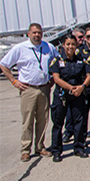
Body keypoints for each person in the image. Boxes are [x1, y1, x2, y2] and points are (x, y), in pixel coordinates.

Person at [0, 23, 58, 162]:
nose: (37, 35)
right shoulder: (20, 48)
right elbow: (3, 65)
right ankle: (26, 149)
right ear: (28, 34)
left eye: (39, 32)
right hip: (28, 89)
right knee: (28, 120)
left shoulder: (48, 47)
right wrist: (14, 81)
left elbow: (56, 60)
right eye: (34, 33)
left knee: (43, 120)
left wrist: (53, 79)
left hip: (44, 87)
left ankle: (40, 146)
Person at [49, 35, 90, 162]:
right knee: (58, 123)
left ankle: (79, 147)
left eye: (73, 44)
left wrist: (82, 87)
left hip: (78, 94)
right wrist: (71, 88)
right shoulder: (57, 60)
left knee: (79, 122)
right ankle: (57, 150)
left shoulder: (81, 60)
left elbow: (89, 75)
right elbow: (56, 78)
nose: (70, 47)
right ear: (63, 45)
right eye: (68, 44)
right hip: (62, 94)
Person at [61, 27, 86, 143]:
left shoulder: (84, 52)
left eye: (82, 37)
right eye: (79, 37)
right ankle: (68, 132)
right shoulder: (62, 54)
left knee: (79, 117)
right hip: (66, 90)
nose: (82, 39)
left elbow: (88, 72)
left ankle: (80, 142)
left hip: (82, 89)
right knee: (68, 116)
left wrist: (82, 86)